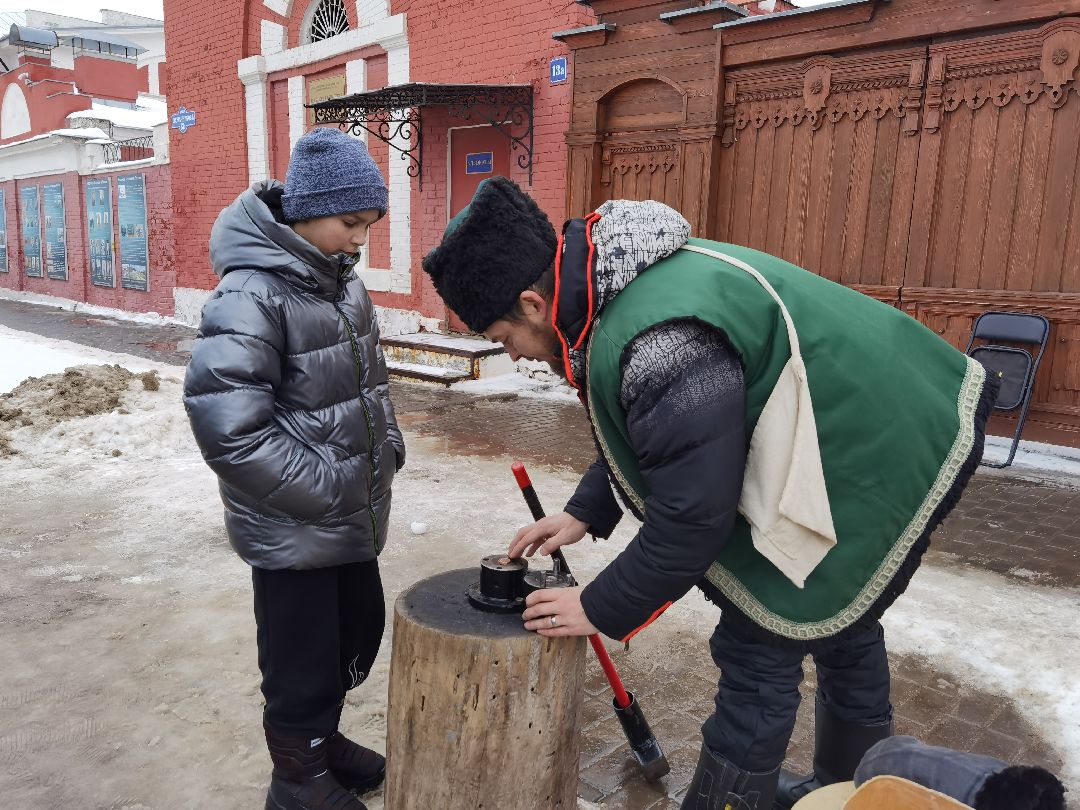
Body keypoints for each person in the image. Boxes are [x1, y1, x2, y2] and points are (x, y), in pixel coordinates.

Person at [420, 177, 998, 810]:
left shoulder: (661, 338)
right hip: (852, 424)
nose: (521, 357)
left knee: (760, 645)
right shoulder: (621, 289)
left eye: (506, 341)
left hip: (866, 443)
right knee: (843, 618)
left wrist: (600, 603)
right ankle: (849, 791)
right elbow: (673, 439)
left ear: (533, 304)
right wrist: (586, 511)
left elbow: (692, 518)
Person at [183, 127, 405, 810]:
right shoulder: (250, 294)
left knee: (351, 635)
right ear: (307, 211)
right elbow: (228, 427)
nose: (361, 238)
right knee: (299, 657)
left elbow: (374, 387)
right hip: (292, 525)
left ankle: (323, 740)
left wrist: (387, 447)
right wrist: (330, 487)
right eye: (350, 223)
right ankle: (297, 775)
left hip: (347, 512)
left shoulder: (343, 288)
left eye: (369, 225)